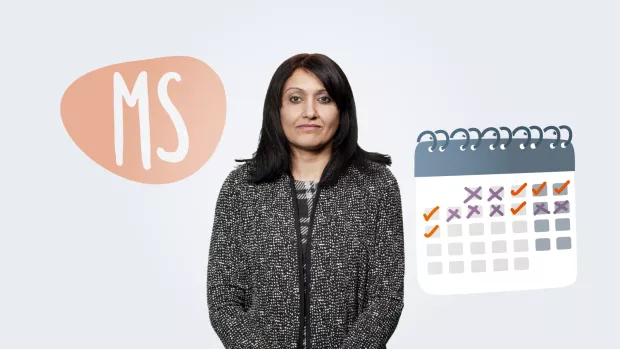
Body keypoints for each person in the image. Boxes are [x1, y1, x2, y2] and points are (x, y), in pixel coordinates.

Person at [206, 53, 405, 349]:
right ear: (277, 109)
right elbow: (224, 300)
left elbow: (386, 298)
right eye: (296, 99)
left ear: (342, 109)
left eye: (324, 99)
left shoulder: (376, 185)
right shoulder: (241, 188)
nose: (310, 112)